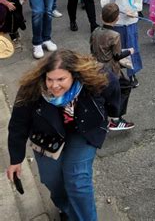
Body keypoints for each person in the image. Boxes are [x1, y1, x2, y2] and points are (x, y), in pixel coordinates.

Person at [6, 49, 120, 221]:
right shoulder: (31, 89)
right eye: (50, 79)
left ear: (74, 75)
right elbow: (18, 124)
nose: (54, 86)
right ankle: (65, 207)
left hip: (82, 131)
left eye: (61, 79)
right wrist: (16, 159)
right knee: (51, 180)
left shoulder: (95, 77)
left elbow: (113, 89)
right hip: (47, 135)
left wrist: (113, 112)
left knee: (78, 182)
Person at [90, 3, 135, 131]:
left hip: (95, 66)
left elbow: (92, 49)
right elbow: (117, 55)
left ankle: (102, 116)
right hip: (110, 70)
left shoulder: (95, 31)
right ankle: (116, 119)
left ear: (101, 16)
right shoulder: (114, 36)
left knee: (102, 92)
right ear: (116, 19)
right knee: (125, 87)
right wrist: (129, 51)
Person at [100, 0, 143, 87]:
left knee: (131, 47)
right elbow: (104, 4)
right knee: (117, 49)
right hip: (116, 24)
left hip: (130, 22)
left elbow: (139, 2)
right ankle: (117, 74)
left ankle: (132, 74)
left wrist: (133, 10)